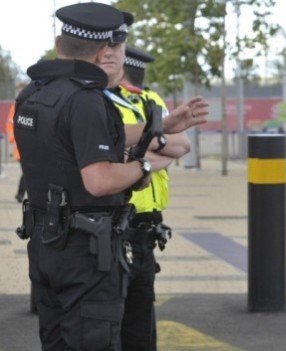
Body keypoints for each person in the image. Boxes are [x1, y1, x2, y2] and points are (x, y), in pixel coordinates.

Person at [13, 3, 207, 350]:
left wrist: (155, 127)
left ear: (60, 44)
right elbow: (99, 181)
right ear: (104, 51)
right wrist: (144, 167)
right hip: (85, 257)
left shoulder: (34, 93)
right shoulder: (85, 100)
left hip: (46, 246)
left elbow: (81, 134)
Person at [99, 37, 190, 349]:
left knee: (140, 324)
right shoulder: (101, 101)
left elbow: (181, 145)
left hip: (146, 226)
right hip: (115, 218)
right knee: (112, 321)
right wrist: (154, 145)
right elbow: (108, 151)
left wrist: (140, 147)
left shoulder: (149, 100)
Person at [6, 103, 26, 202]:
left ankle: (20, 194)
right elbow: (10, 124)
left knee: (28, 172)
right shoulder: (16, 105)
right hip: (22, 148)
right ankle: (20, 194)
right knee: (27, 172)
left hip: (28, 146)